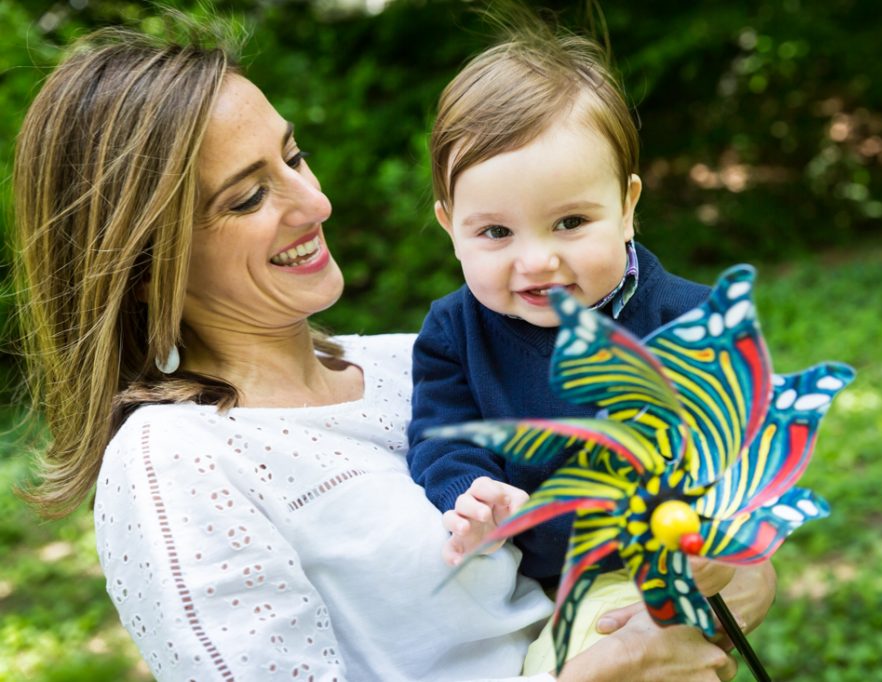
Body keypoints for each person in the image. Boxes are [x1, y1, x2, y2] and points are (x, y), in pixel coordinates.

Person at [11, 16, 766, 682]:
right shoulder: (177, 463)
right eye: (246, 197)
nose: (316, 204)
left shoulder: (416, 359)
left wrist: (732, 576)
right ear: (142, 269)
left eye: (294, 158)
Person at [405, 11, 777, 673]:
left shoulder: (688, 320)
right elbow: (442, 438)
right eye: (495, 233)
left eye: (570, 222)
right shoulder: (453, 333)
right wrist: (474, 491)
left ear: (628, 206)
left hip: (652, 570)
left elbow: (743, 436)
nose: (537, 261)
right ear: (449, 226)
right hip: (520, 585)